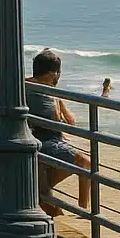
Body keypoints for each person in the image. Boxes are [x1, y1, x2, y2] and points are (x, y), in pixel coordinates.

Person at [26, 49, 93, 216]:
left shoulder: (45, 90)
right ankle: (83, 209)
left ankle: (43, 194)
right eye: (59, 72)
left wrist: (59, 100)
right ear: (52, 73)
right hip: (43, 142)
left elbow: (70, 120)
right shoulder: (34, 90)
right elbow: (62, 122)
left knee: (75, 162)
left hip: (52, 141)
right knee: (86, 162)